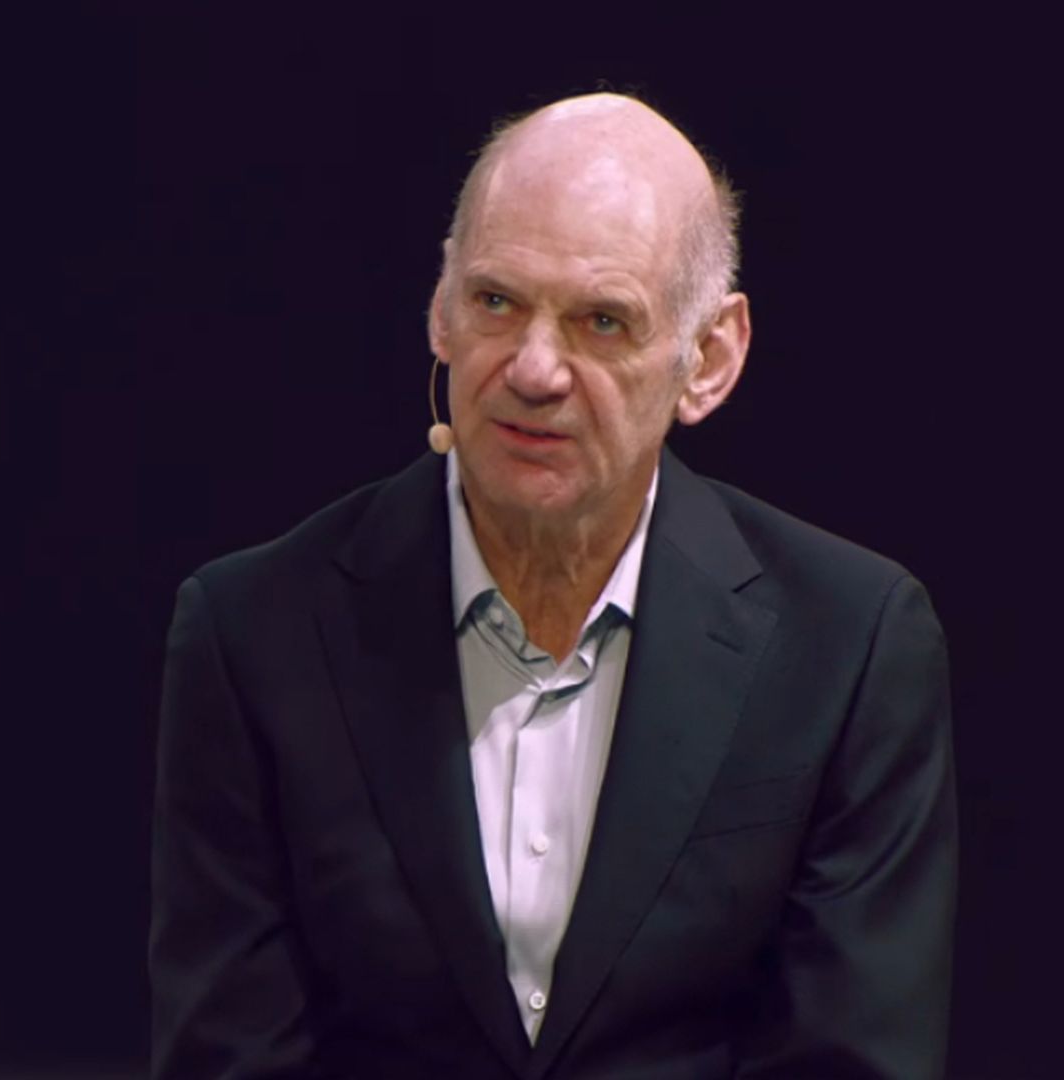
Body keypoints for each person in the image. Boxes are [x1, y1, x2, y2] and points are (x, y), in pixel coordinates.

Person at [149, 93, 957, 1080]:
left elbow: (850, 1059)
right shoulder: (254, 633)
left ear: (709, 358)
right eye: (496, 302)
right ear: (439, 310)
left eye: (601, 321)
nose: (534, 370)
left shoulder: (847, 644)